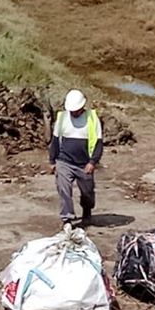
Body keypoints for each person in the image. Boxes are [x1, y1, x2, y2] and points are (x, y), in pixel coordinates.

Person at [49, 89, 103, 225]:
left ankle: (87, 209)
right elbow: (55, 140)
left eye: (76, 110)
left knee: (88, 192)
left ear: (82, 107)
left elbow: (98, 143)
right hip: (64, 161)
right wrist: (52, 160)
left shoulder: (92, 119)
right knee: (64, 189)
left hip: (84, 164)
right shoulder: (62, 118)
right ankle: (67, 218)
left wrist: (93, 162)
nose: (73, 113)